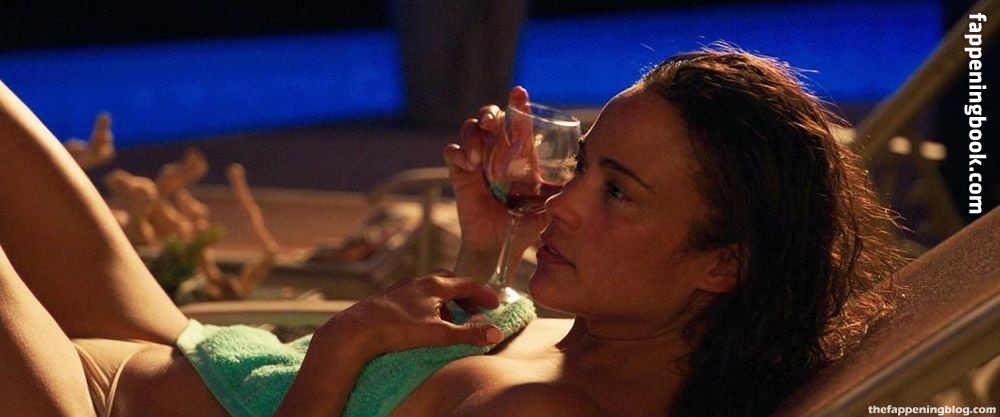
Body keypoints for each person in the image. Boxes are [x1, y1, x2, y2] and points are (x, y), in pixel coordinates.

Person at [0, 46, 905, 417]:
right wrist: (486, 247)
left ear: (723, 263)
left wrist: (348, 339)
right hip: (186, 353)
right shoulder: (604, 334)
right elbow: (425, 381)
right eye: (586, 162)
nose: (566, 200)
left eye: (617, 192)